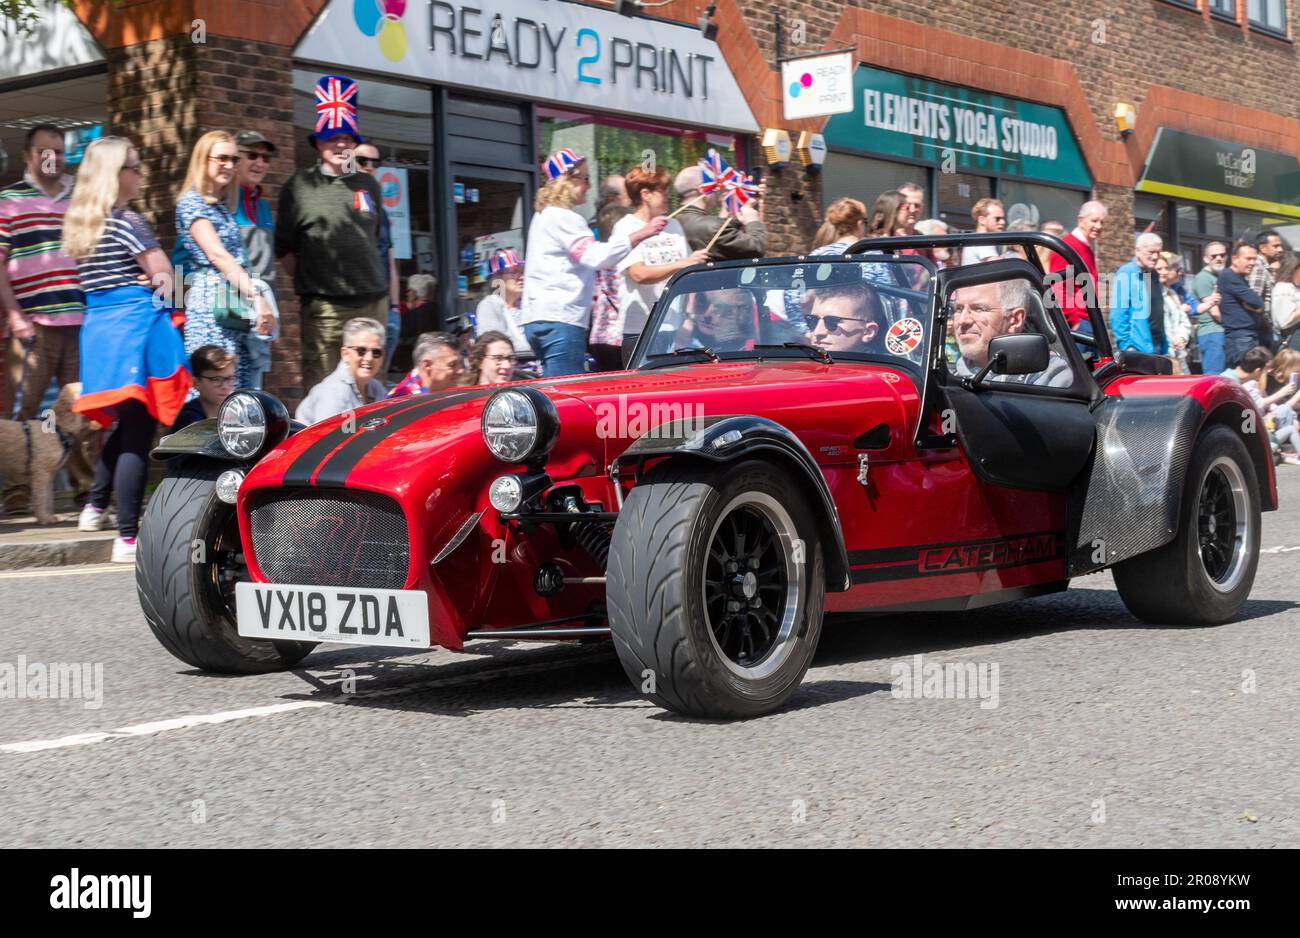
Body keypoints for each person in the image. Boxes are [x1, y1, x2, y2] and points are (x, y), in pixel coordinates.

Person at [63, 137, 189, 563]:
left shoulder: (82, 223)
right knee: (138, 431)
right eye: (134, 167)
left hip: (100, 334)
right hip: (135, 331)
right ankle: (127, 536)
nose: (140, 174)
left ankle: (94, 506)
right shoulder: (129, 221)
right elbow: (167, 280)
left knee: (121, 425)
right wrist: (178, 299)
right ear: (114, 175)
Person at [275, 75, 387, 391]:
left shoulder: (369, 185)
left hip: (372, 302)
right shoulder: (298, 187)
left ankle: (372, 442)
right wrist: (316, 282)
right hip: (325, 309)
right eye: (332, 137)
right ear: (318, 143)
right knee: (324, 385)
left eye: (347, 139)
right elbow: (283, 249)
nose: (341, 144)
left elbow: (376, 240)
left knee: (370, 386)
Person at [520, 148, 665, 377]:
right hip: (561, 319)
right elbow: (595, 256)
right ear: (568, 181)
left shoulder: (543, 216)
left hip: (537, 317)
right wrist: (641, 234)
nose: (589, 185)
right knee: (565, 395)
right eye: (585, 178)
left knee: (551, 391)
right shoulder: (565, 217)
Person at [176, 130, 275, 390]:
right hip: (212, 307)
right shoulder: (192, 202)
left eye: (233, 159)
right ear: (203, 159)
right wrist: (256, 296)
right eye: (221, 158)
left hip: (233, 306)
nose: (229, 166)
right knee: (214, 390)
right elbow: (217, 255)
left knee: (235, 391)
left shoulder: (221, 205)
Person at [0, 124, 84, 423]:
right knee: (17, 420)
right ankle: (16, 473)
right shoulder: (7, 200)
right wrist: (14, 316)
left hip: (79, 326)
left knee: (81, 421)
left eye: (59, 152)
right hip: (32, 328)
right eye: (45, 152)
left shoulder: (79, 199)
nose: (53, 158)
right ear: (27, 155)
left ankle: (80, 474)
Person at [611, 167, 708, 365]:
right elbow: (639, 274)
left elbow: (688, 275)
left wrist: (688, 317)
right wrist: (682, 263)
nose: (668, 196)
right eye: (663, 191)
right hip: (641, 329)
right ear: (645, 194)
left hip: (673, 326)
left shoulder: (674, 226)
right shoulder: (625, 227)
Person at [949, 280, 1073, 388]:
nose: (962, 320)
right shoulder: (942, 374)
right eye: (958, 309)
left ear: (1015, 320)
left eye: (978, 309)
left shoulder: (1047, 376)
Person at [352, 141, 403, 375]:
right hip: (354, 304)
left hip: (382, 304)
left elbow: (389, 260)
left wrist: (394, 307)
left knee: (377, 377)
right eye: (363, 161)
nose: (369, 167)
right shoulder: (342, 203)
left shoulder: (380, 210)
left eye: (375, 163)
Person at [296, 316, 388, 424]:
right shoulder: (334, 393)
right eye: (361, 350)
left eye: (376, 352)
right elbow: (330, 439)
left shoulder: (377, 389)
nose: (369, 358)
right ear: (345, 354)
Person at [673, 164, 766, 261]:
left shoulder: (674, 222)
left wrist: (734, 218)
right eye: (714, 185)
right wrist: (752, 219)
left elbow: (719, 239)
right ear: (703, 189)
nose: (718, 189)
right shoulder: (713, 227)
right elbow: (757, 248)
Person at [589, 175, 635, 371]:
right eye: (628, 195)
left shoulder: (597, 251)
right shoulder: (597, 241)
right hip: (620, 333)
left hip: (599, 333)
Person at [1046, 201, 1106, 335]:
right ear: (1081, 221)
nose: (1098, 226)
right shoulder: (1067, 246)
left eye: (1102, 222)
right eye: (1094, 221)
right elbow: (1058, 287)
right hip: (1079, 323)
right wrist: (1075, 320)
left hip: (1089, 320)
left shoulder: (1086, 247)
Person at [1110, 233, 1167, 355]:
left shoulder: (1154, 275)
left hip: (1156, 345)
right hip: (1138, 348)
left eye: (1158, 252)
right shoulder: (1127, 272)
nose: (1155, 256)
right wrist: (1127, 346)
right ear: (1137, 251)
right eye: (1151, 252)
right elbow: (1118, 313)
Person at [474, 250, 533, 366]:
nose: (521, 277)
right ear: (497, 278)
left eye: (522, 271)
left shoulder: (527, 305)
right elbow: (494, 347)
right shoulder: (490, 305)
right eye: (514, 272)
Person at [1217, 243, 1268, 368]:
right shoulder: (1229, 276)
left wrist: (1256, 307)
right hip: (1239, 338)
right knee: (1244, 377)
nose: (1252, 263)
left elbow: (1258, 305)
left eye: (1254, 259)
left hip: (1245, 336)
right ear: (1234, 259)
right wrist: (1256, 306)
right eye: (1248, 259)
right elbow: (1257, 302)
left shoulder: (1240, 278)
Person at [803, 282, 888, 355]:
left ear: (868, 332)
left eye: (832, 322)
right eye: (812, 321)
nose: (817, 332)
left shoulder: (882, 371)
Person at [169, 345, 236, 432]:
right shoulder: (189, 419)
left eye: (230, 378)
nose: (225, 386)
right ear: (196, 383)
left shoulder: (236, 413)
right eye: (216, 379)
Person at [389, 330, 464, 397]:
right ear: (427, 365)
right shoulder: (410, 401)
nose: (461, 370)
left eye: (460, 363)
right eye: (452, 365)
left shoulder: (432, 392)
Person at [1192, 241, 1228, 374]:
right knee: (1214, 377)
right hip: (1212, 333)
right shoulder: (1203, 278)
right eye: (1214, 256)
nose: (1219, 258)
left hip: (1218, 332)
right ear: (1206, 259)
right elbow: (1214, 311)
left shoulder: (1219, 277)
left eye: (1222, 255)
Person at [1156, 253, 1193, 373]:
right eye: (1159, 269)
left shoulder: (1172, 293)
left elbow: (1183, 321)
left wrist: (1182, 337)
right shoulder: (1148, 295)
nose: (1164, 272)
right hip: (1162, 355)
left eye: (1166, 268)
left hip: (1178, 355)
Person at [1250, 229, 1285, 342]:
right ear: (1262, 248)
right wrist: (1264, 323)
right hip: (1260, 330)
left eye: (1280, 246)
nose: (1280, 249)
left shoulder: (1266, 268)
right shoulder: (1258, 267)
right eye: (1275, 246)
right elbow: (1253, 300)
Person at [959, 199, 1006, 265]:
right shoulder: (981, 239)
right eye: (997, 219)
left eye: (1003, 218)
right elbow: (999, 265)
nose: (1002, 222)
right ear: (982, 220)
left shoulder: (980, 238)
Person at [1269, 250, 1300, 352]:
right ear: (1293, 268)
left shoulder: (1295, 287)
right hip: (1292, 339)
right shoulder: (1283, 288)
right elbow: (1284, 321)